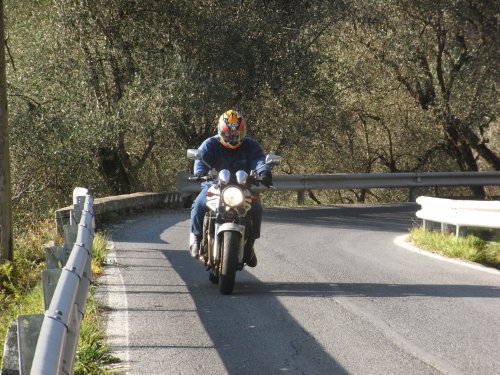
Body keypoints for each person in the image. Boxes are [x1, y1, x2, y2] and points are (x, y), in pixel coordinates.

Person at [189, 109, 272, 267]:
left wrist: (264, 172)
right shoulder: (210, 144)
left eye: (237, 135)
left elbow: (258, 160)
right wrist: (200, 171)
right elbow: (201, 158)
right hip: (214, 185)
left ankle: (250, 246)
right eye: (229, 135)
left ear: (243, 133)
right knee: (199, 204)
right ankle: (197, 239)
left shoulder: (250, 145)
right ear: (221, 131)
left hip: (243, 187)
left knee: (256, 208)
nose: (233, 138)